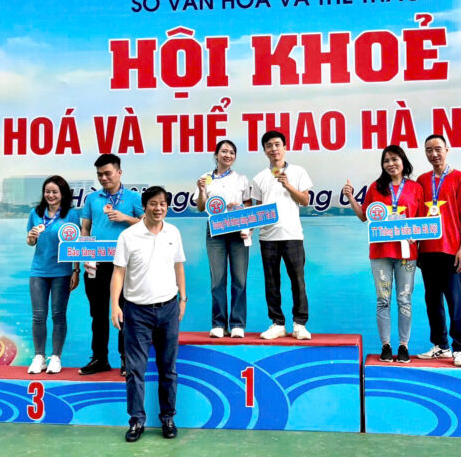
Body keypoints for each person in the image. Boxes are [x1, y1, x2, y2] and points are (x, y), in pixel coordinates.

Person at [110, 186, 187, 443]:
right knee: (135, 370)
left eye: (163, 203)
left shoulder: (173, 232)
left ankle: (168, 417)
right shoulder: (128, 236)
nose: (158, 208)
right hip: (137, 312)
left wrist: (183, 298)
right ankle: (136, 421)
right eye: (153, 203)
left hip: (168, 308)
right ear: (144, 206)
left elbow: (178, 266)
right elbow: (118, 272)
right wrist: (115, 305)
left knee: (168, 369)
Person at [344, 145, 424, 364]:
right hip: (380, 251)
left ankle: (404, 346)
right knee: (383, 300)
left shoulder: (416, 188)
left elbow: (422, 221)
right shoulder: (376, 187)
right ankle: (386, 345)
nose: (391, 164)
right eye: (386, 160)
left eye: (394, 159)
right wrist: (350, 197)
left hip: (407, 252)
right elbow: (364, 216)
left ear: (403, 161)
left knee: (404, 299)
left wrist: (415, 235)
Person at [415, 134, 461, 367]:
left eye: (438, 149)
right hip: (427, 251)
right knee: (432, 302)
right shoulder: (421, 181)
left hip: (452, 250)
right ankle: (441, 346)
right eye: (429, 150)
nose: (434, 154)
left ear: (447, 150)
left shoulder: (460, 178)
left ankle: (459, 348)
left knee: (456, 302)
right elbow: (414, 216)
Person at [80, 153, 144, 377]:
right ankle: (99, 358)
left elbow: (147, 224)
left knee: (126, 312)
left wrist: (126, 218)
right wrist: (86, 255)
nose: (104, 178)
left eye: (108, 173)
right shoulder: (92, 199)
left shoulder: (133, 198)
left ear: (119, 172)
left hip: (125, 264)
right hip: (96, 263)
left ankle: (126, 359)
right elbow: (85, 228)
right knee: (97, 313)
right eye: (100, 175)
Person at [251, 130, 313, 340]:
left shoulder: (298, 172)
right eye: (269, 146)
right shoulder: (259, 178)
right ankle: (277, 323)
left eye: (277, 144)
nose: (274, 149)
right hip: (267, 237)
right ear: (264, 150)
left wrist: (287, 185)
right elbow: (258, 210)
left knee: (298, 281)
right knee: (271, 282)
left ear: (285, 147)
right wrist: (247, 228)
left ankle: (300, 324)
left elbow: (305, 200)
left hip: (292, 235)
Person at [25, 175, 81, 374]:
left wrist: (76, 270)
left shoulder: (71, 215)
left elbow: (76, 245)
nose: (50, 195)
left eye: (54, 192)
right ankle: (39, 357)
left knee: (58, 315)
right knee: (38, 316)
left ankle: (56, 357)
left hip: (62, 272)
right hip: (39, 271)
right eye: (47, 191)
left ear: (62, 194)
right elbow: (30, 242)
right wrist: (31, 237)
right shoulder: (35, 213)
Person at [195, 139, 252, 338]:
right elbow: (200, 207)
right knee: (217, 279)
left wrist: (239, 208)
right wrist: (201, 190)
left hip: (237, 229)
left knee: (240, 279)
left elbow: (248, 204)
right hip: (215, 230)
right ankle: (219, 323)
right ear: (216, 154)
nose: (228, 155)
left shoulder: (241, 179)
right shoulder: (205, 178)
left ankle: (237, 323)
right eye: (224, 151)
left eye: (232, 152)